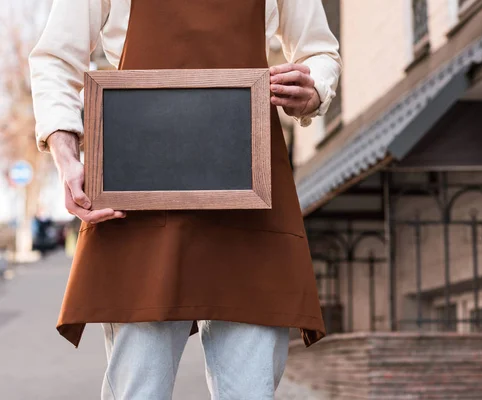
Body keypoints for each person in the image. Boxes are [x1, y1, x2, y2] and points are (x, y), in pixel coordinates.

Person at [29, 0, 341, 399]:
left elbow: (319, 50)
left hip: (252, 190)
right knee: (138, 390)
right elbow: (55, 58)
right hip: (138, 193)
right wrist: (65, 154)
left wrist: (313, 87)